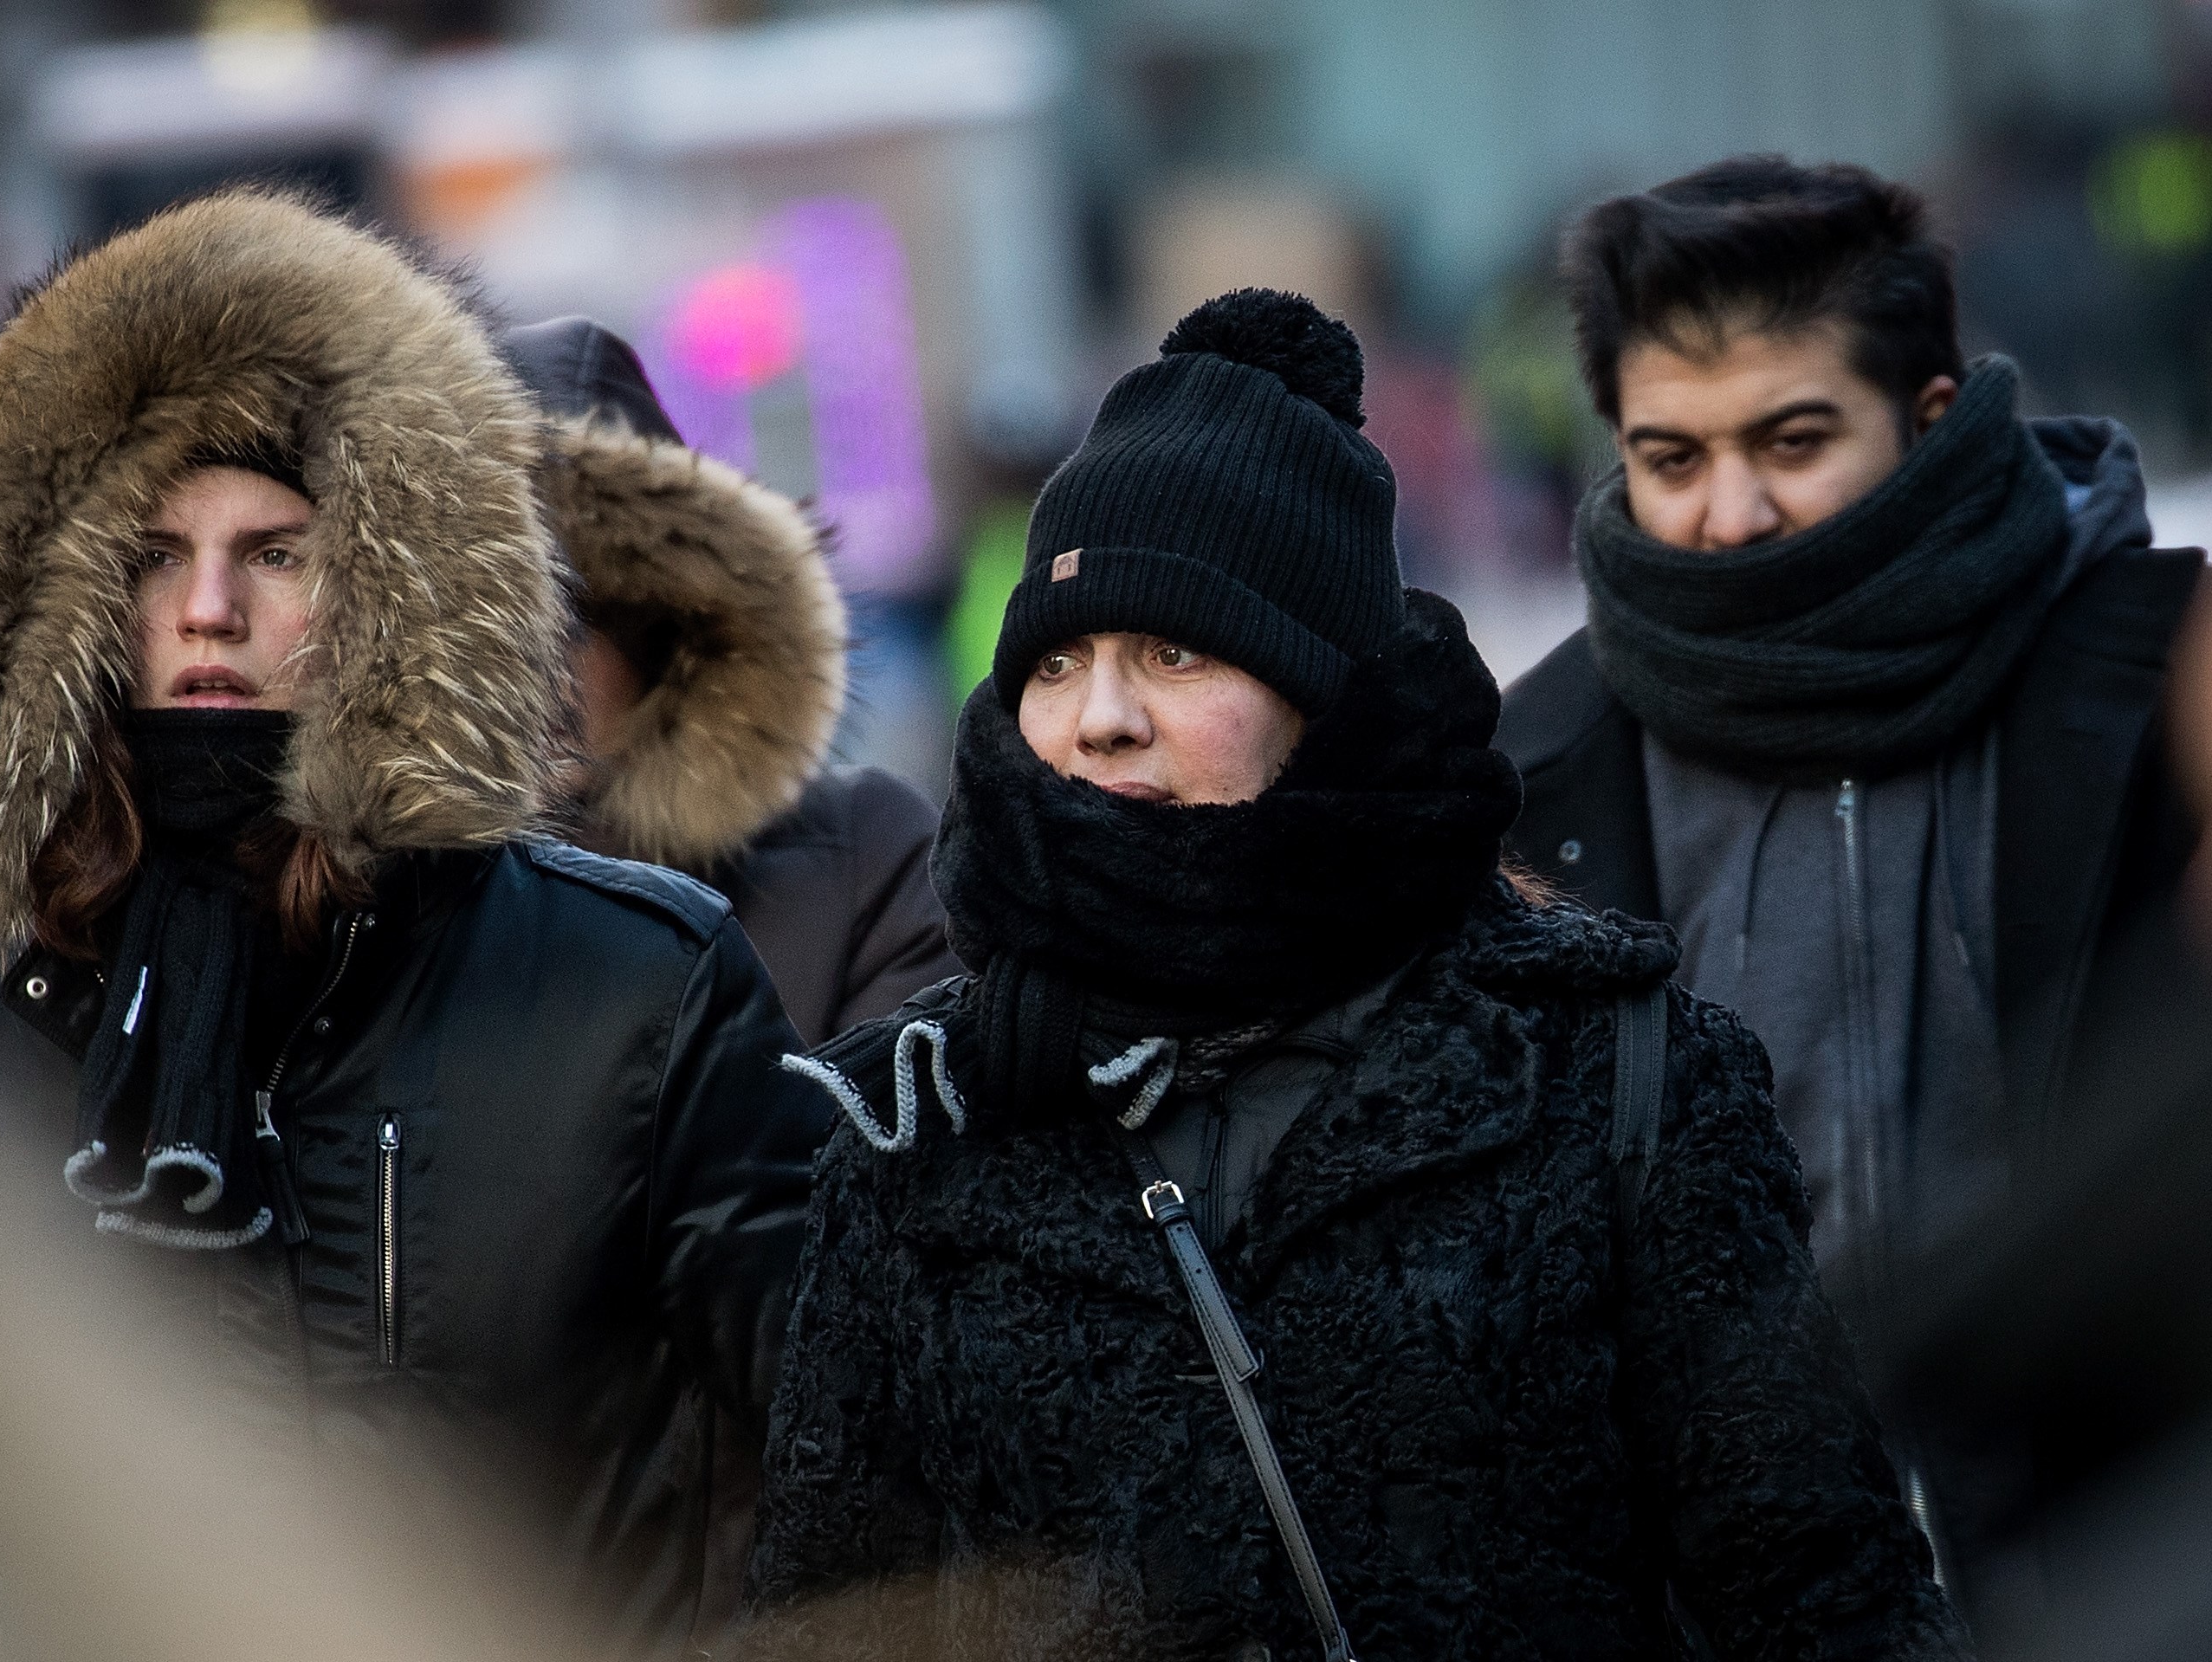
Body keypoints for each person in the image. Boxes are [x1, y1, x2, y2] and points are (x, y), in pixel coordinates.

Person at [744, 289, 1967, 1662]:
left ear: (1317, 697)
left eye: (1173, 650)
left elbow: (1820, 1594)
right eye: (1057, 660)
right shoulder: (916, 1126)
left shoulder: (1611, 1073)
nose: (1099, 716)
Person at [0, 191, 826, 1654]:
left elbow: (820, 1469)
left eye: (278, 550)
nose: (208, 609)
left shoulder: (637, 986)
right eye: (147, 554)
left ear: (392, 578)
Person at [1496, 155, 2205, 1599]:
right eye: (1669, 456)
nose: (1729, 511)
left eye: (1792, 436)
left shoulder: (2160, 685)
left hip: (2129, 1542)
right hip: (1740, 1593)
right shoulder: (1531, 778)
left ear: (1925, 416)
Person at [501, 317, 958, 1045]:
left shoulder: (864, 863)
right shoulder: (334, 903)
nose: (532, 666)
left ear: (671, 633)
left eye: (579, 614)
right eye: (480, 616)